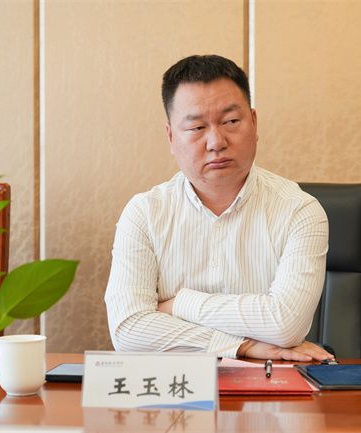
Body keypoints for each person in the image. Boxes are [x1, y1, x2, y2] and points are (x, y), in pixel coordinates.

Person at [105, 54, 332, 361]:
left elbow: (285, 324)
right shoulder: (144, 214)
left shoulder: (299, 211)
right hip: (175, 387)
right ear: (171, 137)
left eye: (231, 122)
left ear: (254, 122)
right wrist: (243, 346)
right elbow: (128, 330)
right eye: (197, 127)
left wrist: (179, 303)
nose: (216, 142)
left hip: (270, 386)